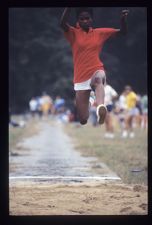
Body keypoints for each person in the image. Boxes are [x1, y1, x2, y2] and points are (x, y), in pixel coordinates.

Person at [60, 7, 129, 125]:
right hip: (80, 77)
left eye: (87, 18)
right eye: (82, 19)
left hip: (96, 69)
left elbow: (122, 32)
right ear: (78, 20)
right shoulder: (73, 33)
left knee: (99, 78)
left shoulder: (99, 33)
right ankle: (92, 98)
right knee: (83, 119)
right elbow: (62, 24)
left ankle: (101, 108)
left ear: (91, 19)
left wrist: (123, 20)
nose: (85, 21)